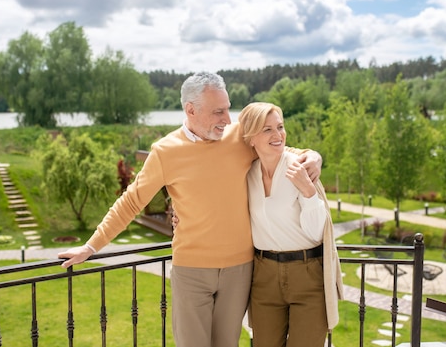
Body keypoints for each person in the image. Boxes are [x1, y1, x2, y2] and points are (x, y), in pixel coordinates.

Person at [57, 72, 322, 347]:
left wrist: (314, 155)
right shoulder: (165, 152)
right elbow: (131, 201)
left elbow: (276, 144)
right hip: (192, 271)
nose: (228, 119)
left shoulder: (238, 137)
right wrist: (91, 246)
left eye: (227, 108)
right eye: (218, 112)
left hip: (240, 270)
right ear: (191, 110)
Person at [239, 102, 343, 347]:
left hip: (307, 273)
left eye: (280, 127)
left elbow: (318, 232)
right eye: (267, 130)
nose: (278, 135)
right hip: (264, 276)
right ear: (251, 138)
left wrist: (308, 192)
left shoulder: (299, 166)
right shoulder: (247, 173)